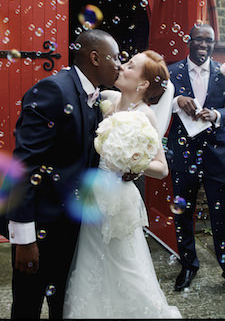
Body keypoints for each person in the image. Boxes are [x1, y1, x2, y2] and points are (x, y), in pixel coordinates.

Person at [0, 29, 121, 318]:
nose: (120, 65)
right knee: (28, 305)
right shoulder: (53, 91)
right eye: (116, 57)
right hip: (40, 226)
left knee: (64, 303)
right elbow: (25, 165)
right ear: (95, 58)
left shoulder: (96, 98)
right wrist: (25, 239)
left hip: (72, 226)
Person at [62, 50, 181, 318]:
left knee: (125, 265)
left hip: (119, 202)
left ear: (143, 84)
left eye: (130, 66)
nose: (121, 67)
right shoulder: (106, 100)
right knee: (91, 260)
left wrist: (132, 164)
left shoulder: (145, 116)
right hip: (94, 195)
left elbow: (161, 168)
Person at [166, 23, 225, 303]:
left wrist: (216, 114)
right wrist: (177, 100)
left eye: (208, 41)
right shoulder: (172, 72)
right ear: (189, 42)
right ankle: (188, 264)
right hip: (182, 153)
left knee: (223, 216)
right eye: (198, 39)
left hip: (216, 154)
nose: (203, 44)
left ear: (214, 44)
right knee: (183, 213)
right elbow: (155, 102)